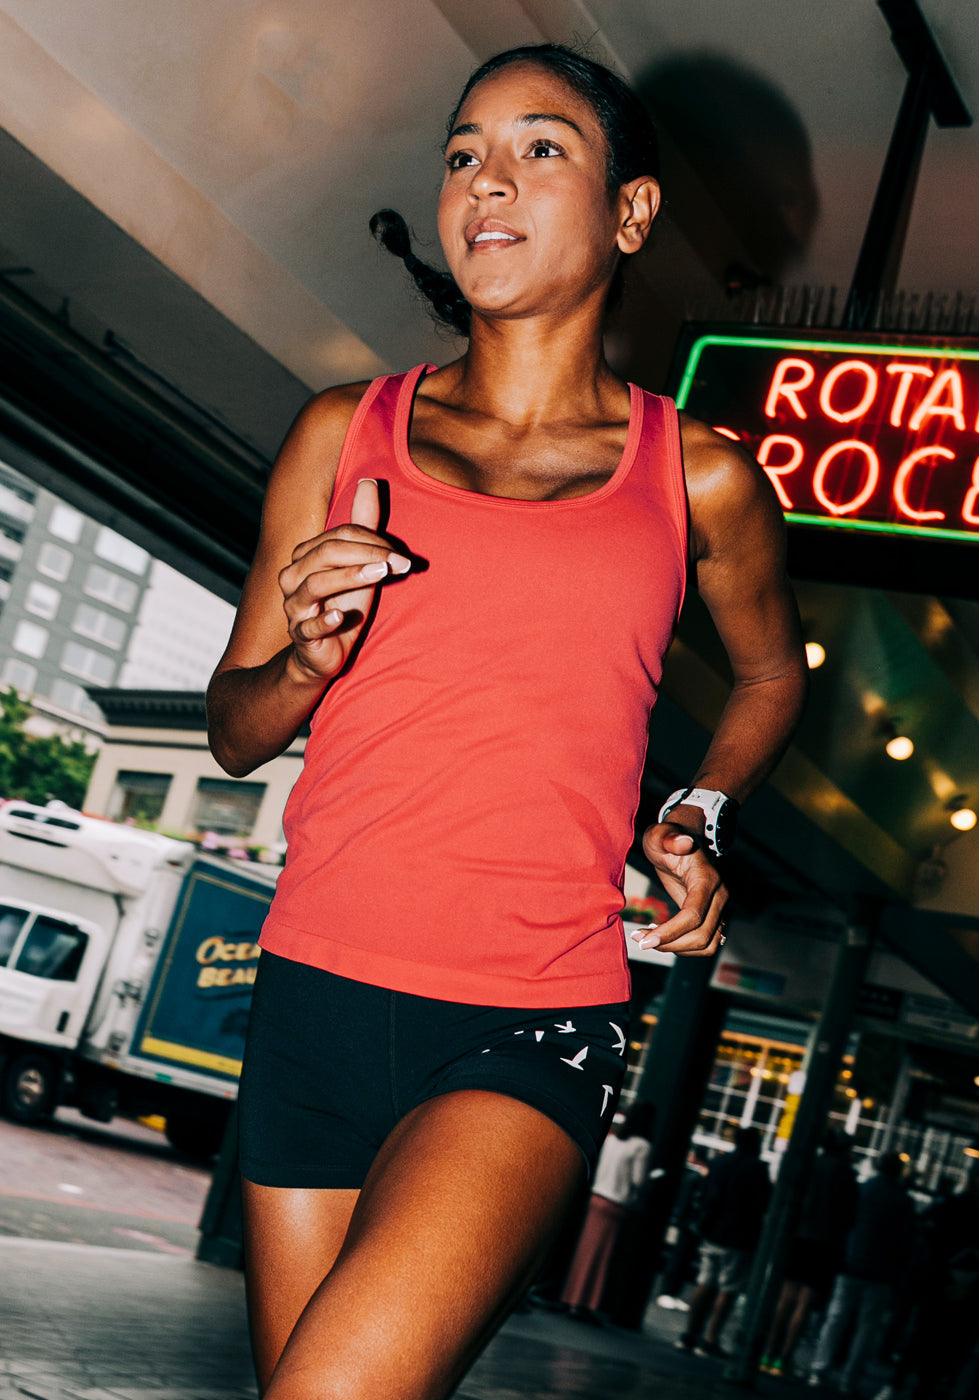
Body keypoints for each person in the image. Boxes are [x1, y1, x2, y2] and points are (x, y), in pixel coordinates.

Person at [206, 42, 808, 1400]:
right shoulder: (337, 435)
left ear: (630, 214)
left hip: (527, 1013)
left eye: (542, 149)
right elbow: (233, 729)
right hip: (313, 989)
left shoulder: (695, 477)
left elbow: (772, 673)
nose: (489, 179)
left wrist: (696, 809)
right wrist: (303, 661)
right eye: (463, 150)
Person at [807, 1150, 916, 1395]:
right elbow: (906, 1241)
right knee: (867, 1328)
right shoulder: (903, 1200)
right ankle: (849, 1378)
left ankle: (819, 1368)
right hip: (881, 1271)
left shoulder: (862, 1190)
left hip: (851, 1262)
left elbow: (844, 1222)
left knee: (836, 1319)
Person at [760, 1129, 858, 1378]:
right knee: (805, 1302)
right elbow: (849, 1215)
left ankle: (767, 1353)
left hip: (798, 1237)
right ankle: (784, 1359)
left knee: (785, 1298)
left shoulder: (810, 1165)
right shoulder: (847, 1175)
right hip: (825, 1243)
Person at [676, 1126, 773, 1359]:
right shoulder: (758, 1169)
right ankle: (710, 1338)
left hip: (711, 1231)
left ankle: (689, 1333)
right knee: (727, 1289)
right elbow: (763, 1203)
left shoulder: (719, 1163)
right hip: (739, 1237)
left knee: (705, 1281)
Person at [560, 1101, 655, 1321]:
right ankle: (585, 1303)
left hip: (597, 1197)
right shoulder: (642, 1146)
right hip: (616, 1204)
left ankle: (571, 1297)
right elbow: (638, 1181)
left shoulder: (612, 1140)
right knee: (602, 1255)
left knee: (585, 1251)